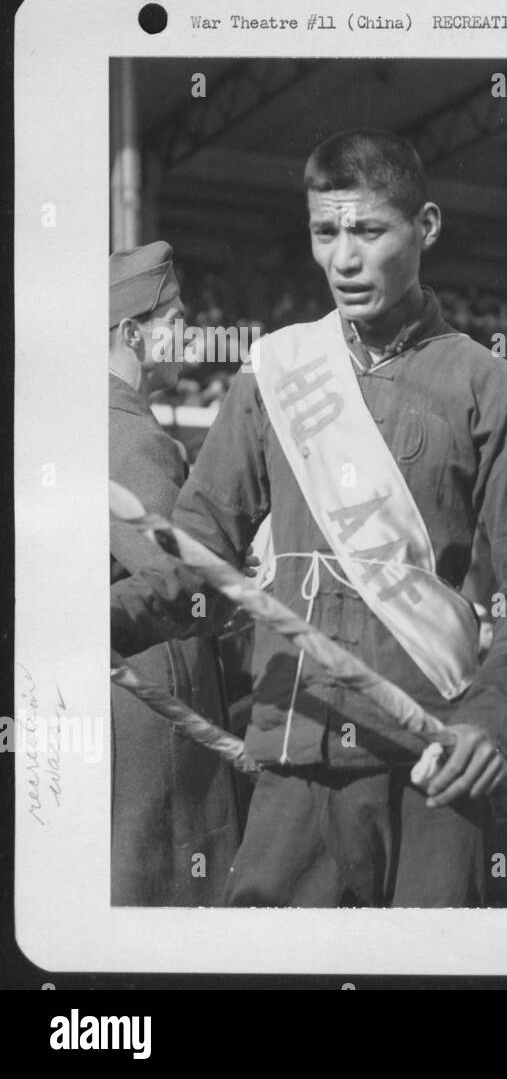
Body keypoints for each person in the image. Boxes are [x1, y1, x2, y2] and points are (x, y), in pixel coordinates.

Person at [111, 130, 507, 907]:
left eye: (368, 230)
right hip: (295, 750)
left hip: (435, 759)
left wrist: (495, 725)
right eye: (326, 232)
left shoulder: (488, 386)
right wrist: (96, 619)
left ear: (423, 227)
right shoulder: (274, 371)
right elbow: (201, 564)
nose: (344, 259)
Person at [108, 241, 243, 906]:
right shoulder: (133, 440)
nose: (191, 331)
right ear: (133, 333)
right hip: (153, 717)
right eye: (176, 318)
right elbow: (185, 593)